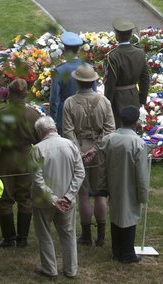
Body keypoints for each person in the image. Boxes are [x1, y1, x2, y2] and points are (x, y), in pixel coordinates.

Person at [62, 64, 114, 247]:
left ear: (77, 82)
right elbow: (110, 130)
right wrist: (97, 148)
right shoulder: (104, 101)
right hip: (100, 151)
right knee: (101, 194)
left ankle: (86, 236)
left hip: (80, 150)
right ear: (93, 82)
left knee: (83, 194)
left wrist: (79, 152)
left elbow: (68, 131)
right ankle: (100, 236)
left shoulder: (69, 103)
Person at [30, 115, 85, 279]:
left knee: (44, 234)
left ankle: (50, 268)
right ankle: (71, 269)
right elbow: (80, 173)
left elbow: (37, 180)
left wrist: (54, 199)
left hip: (43, 202)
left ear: (40, 131)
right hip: (67, 201)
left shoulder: (37, 149)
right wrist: (68, 196)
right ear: (54, 128)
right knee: (68, 234)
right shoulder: (71, 145)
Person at [0, 79, 41, 249]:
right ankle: (23, 238)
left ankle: (9, 238)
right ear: (25, 94)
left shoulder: (0, 114)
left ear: (9, 94)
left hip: (5, 158)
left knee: (5, 199)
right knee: (25, 197)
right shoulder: (33, 114)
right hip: (25, 157)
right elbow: (39, 139)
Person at [97, 105, 149, 263]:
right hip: (131, 185)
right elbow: (141, 174)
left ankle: (116, 250)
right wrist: (143, 193)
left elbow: (101, 166)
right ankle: (127, 253)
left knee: (115, 215)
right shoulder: (137, 143)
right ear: (136, 122)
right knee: (129, 216)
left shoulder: (109, 139)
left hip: (113, 183)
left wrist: (103, 186)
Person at [103, 18, 150, 127]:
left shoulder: (113, 56)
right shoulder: (140, 53)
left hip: (117, 99)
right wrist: (141, 99)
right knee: (131, 128)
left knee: (118, 128)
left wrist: (106, 104)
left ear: (117, 36)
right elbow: (145, 79)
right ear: (130, 35)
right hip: (134, 96)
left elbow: (110, 83)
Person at [50, 32, 85, 132]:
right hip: (84, 113)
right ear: (78, 50)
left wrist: (53, 120)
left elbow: (54, 99)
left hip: (65, 116)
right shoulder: (88, 68)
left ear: (64, 49)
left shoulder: (59, 70)